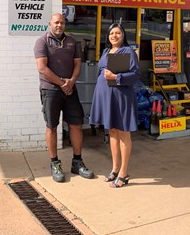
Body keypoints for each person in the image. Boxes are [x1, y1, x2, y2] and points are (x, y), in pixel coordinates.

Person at [34, 13, 94, 182]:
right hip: (51, 90)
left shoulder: (71, 41)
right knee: (52, 126)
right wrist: (62, 84)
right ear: (50, 24)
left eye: (62, 22)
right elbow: (42, 68)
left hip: (70, 89)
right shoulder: (42, 42)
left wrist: (72, 81)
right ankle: (55, 163)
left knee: (76, 124)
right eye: (56, 23)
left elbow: (77, 64)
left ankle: (77, 162)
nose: (59, 25)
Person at [90, 23, 141, 188]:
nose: (114, 36)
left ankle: (124, 173)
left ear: (123, 35)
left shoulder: (128, 52)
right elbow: (101, 72)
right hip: (106, 96)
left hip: (121, 96)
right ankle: (115, 168)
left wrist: (116, 77)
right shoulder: (105, 52)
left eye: (118, 33)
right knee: (111, 131)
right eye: (112, 33)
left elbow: (135, 74)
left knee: (123, 133)